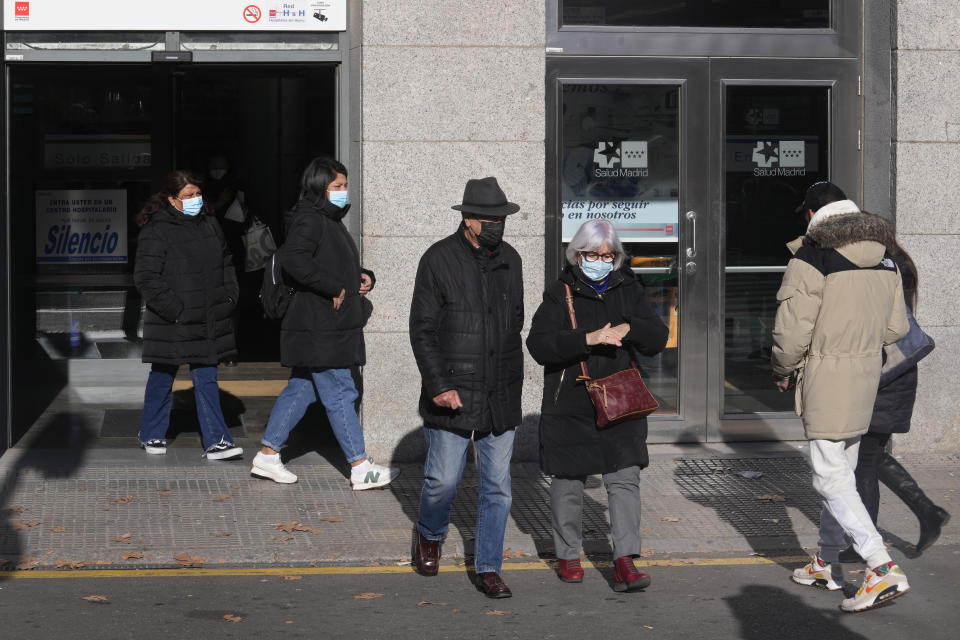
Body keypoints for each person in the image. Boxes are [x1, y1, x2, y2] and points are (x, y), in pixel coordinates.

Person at [772, 181, 910, 612]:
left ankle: (880, 566)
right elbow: (896, 329)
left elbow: (793, 331)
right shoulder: (886, 258)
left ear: (813, 215)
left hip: (826, 374)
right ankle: (825, 561)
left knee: (829, 478)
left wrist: (781, 369)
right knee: (842, 475)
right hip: (865, 375)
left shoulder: (811, 256)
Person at [526, 219, 668, 592]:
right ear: (577, 254)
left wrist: (629, 329)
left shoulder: (629, 287)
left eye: (608, 255)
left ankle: (625, 561)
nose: (601, 261)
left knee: (624, 477)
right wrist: (587, 338)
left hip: (621, 397)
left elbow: (657, 337)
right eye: (592, 254)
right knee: (569, 480)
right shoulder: (560, 292)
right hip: (571, 401)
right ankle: (568, 555)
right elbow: (539, 345)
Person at [250, 157, 398, 490]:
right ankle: (360, 467)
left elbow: (331, 263)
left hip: (320, 327)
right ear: (318, 188)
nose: (343, 192)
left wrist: (363, 277)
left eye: (345, 186)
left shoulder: (327, 220)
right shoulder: (311, 220)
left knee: (301, 390)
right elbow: (294, 259)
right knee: (341, 391)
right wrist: (333, 287)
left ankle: (268, 455)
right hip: (319, 327)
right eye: (337, 187)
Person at [409, 177, 524, 598]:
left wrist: (512, 380)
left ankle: (489, 566)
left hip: (500, 391)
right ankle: (430, 532)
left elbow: (515, 321)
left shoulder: (511, 259)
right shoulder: (438, 259)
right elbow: (422, 329)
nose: (497, 225)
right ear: (468, 219)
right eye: (490, 219)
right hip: (452, 392)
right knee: (442, 480)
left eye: (502, 218)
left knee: (497, 487)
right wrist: (439, 384)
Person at [840, 218, 950, 561]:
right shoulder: (898, 263)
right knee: (870, 457)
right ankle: (927, 511)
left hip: (886, 376)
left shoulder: (888, 267)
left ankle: (867, 543)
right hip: (892, 374)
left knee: (865, 462)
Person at [134, 170, 243, 460]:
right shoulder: (157, 229)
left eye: (198, 194)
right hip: (173, 319)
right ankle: (152, 433)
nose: (195, 200)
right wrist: (176, 310)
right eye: (188, 196)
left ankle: (217, 440)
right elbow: (146, 277)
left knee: (206, 375)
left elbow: (227, 262)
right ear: (171, 199)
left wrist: (229, 295)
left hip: (208, 315)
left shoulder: (209, 224)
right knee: (163, 375)